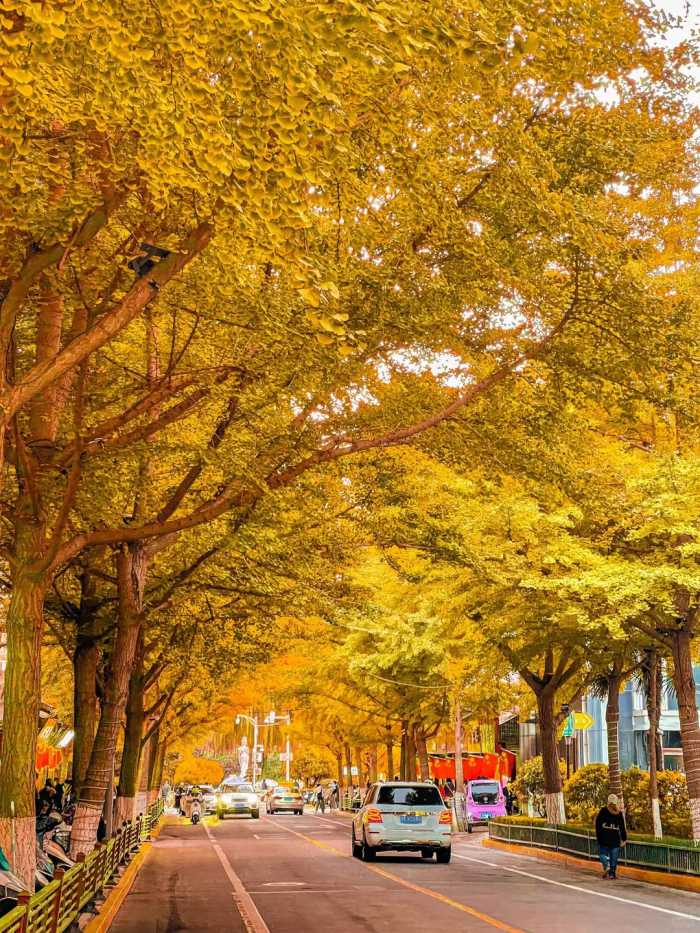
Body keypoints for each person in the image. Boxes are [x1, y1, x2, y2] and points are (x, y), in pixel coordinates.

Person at [595, 794, 627, 880]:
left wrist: (598, 836)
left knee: (602, 854)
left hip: (604, 838)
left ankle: (606, 866)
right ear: (616, 802)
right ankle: (612, 874)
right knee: (614, 858)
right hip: (615, 839)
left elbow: (598, 824)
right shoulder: (619, 813)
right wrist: (624, 839)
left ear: (608, 801)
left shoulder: (603, 811)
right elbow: (622, 827)